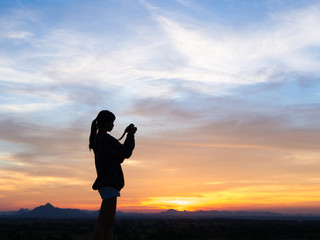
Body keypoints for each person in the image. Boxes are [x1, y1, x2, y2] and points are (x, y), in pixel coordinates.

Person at [89, 110, 136, 240]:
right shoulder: (104, 138)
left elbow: (117, 156)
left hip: (107, 183)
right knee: (105, 224)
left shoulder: (99, 139)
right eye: (112, 123)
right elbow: (125, 152)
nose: (113, 126)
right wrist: (130, 135)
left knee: (107, 224)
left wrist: (127, 135)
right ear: (106, 123)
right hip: (109, 182)